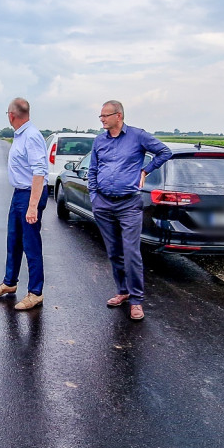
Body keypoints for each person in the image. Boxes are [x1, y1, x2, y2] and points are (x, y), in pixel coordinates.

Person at [89, 100, 172, 321]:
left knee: (131, 252)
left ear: (119, 116)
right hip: (104, 203)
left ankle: (136, 300)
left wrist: (146, 170)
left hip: (129, 204)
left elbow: (165, 152)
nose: (102, 119)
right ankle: (122, 291)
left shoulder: (138, 136)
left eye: (106, 116)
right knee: (113, 251)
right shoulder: (99, 141)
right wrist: (94, 197)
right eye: (101, 116)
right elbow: (93, 170)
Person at [0, 98, 49, 310]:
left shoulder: (31, 136)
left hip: (30, 195)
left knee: (31, 243)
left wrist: (32, 206)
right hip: (19, 194)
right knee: (13, 240)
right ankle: (9, 283)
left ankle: (35, 293)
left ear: (11, 115)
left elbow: (39, 171)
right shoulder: (21, 135)